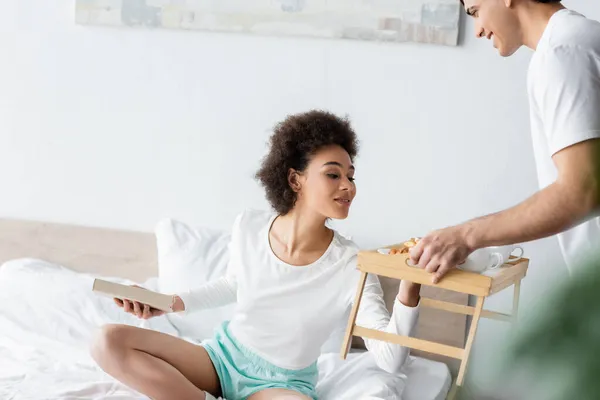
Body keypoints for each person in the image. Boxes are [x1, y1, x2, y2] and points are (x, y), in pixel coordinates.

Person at [90, 110, 422, 400]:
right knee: (107, 341)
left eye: (350, 176)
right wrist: (166, 302)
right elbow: (233, 284)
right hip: (221, 360)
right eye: (333, 174)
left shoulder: (352, 264)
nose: (348, 186)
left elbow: (390, 358)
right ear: (295, 178)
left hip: (282, 386)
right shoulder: (249, 226)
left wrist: (410, 288)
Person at [410, 0, 600, 283]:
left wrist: (466, 235)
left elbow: (582, 191)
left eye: (476, 11)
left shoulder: (560, 53)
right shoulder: (586, 36)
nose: (478, 30)